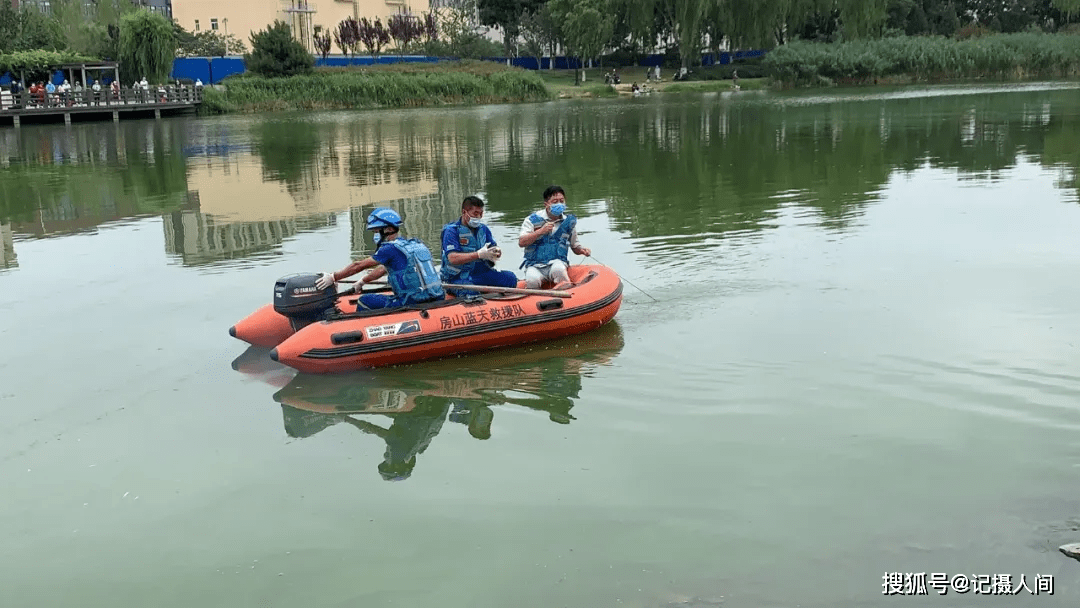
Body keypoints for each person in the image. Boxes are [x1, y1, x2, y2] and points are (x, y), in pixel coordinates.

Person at [315, 207, 445, 310]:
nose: (375, 235)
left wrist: (333, 277)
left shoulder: (389, 248)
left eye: (377, 231)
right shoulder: (412, 245)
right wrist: (362, 282)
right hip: (435, 297)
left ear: (388, 229)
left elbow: (359, 265)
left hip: (412, 302)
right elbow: (382, 269)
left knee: (364, 301)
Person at [440, 195, 517, 296]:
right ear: (464, 212)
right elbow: (453, 258)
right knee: (470, 292)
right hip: (459, 277)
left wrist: (495, 253)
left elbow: (493, 247)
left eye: (480, 214)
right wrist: (478, 254)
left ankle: (489, 293)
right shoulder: (451, 231)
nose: (478, 217)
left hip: (481, 273)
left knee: (510, 279)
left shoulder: (483, 229)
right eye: (475, 213)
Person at [517, 185, 591, 290]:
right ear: (546, 204)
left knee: (559, 270)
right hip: (535, 264)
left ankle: (565, 293)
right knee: (532, 280)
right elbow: (521, 242)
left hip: (557, 261)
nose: (559, 204)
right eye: (555, 202)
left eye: (562, 201)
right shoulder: (531, 220)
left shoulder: (568, 222)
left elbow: (575, 246)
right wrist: (540, 232)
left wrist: (582, 250)